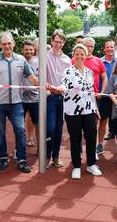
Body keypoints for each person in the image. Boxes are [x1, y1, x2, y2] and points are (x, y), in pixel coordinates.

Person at [0, 31, 39, 173]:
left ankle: (21, 160)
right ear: (0, 45)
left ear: (13, 44)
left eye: (9, 43)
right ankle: (3, 158)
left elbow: (31, 76)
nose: (7, 46)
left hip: (16, 103)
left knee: (20, 131)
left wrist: (42, 85)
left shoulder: (21, 59)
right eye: (4, 44)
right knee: (0, 132)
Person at [63, 44, 102, 179]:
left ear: (85, 56)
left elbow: (90, 91)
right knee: (75, 139)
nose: (79, 56)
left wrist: (96, 108)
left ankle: (91, 164)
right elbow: (71, 87)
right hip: (72, 111)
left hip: (89, 109)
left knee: (91, 137)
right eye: (77, 54)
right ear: (73, 56)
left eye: (82, 54)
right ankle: (77, 166)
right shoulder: (68, 72)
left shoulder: (89, 72)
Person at [72, 37, 108, 155]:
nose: (89, 48)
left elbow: (104, 78)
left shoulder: (98, 61)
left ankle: (95, 147)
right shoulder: (75, 59)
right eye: (87, 45)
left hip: (94, 98)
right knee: (80, 125)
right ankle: (82, 148)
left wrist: (101, 92)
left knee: (94, 124)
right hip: (78, 99)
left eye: (92, 46)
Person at [46, 29, 71, 168]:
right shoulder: (45, 56)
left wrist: (61, 87)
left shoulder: (67, 60)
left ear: (64, 43)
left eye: (61, 42)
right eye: (56, 41)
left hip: (62, 98)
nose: (58, 44)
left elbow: (67, 80)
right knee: (50, 128)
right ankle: (46, 156)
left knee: (59, 129)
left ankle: (55, 156)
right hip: (49, 97)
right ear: (51, 41)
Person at [21, 40, 39, 151]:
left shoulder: (39, 62)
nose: (29, 52)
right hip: (20, 98)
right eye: (26, 50)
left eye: (31, 49)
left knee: (38, 124)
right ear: (22, 50)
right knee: (19, 126)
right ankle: (19, 149)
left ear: (34, 50)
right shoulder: (18, 61)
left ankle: (40, 148)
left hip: (36, 98)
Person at [99, 40, 117, 143]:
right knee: (103, 120)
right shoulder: (99, 61)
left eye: (112, 47)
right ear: (104, 49)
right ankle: (100, 144)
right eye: (107, 47)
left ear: (115, 48)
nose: (110, 49)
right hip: (104, 96)